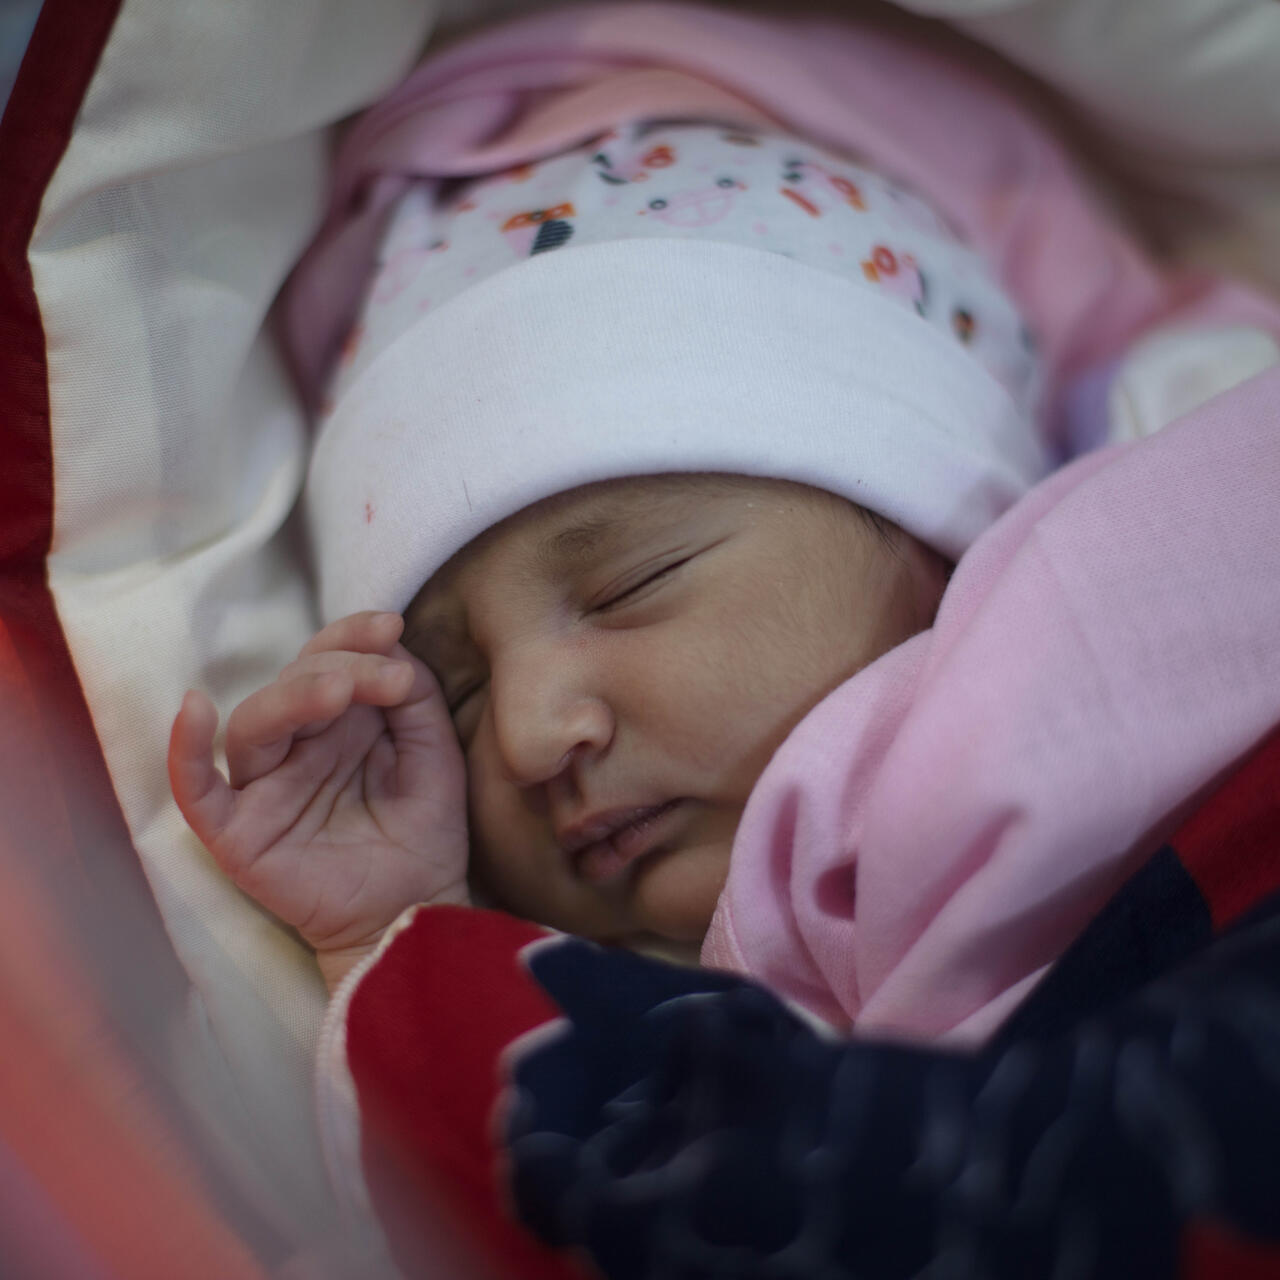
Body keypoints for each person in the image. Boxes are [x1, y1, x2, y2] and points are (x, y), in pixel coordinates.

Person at [170, 1, 1280, 1041]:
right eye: (453, 695)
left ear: (924, 519)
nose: (527, 732)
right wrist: (393, 934)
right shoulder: (649, 1006)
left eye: (626, 586)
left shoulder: (1168, 540)